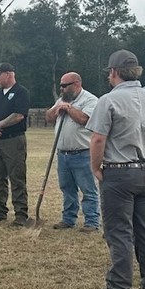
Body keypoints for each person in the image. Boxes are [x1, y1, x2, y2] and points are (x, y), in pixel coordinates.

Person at [87, 50, 145, 289]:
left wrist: (96, 168)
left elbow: (98, 138)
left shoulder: (108, 101)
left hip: (119, 172)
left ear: (113, 72)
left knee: (119, 232)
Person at [43, 72, 100, 232]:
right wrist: (57, 109)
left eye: (65, 86)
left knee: (88, 189)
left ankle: (92, 221)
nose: (62, 89)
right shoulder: (62, 100)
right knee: (67, 188)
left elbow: (84, 119)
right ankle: (68, 219)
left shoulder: (90, 100)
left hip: (82, 153)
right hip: (62, 153)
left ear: (76, 84)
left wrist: (69, 109)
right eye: (61, 85)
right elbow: (48, 117)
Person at [0, 62, 31, 226]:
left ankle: (21, 214)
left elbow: (18, 116)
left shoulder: (20, 92)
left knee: (16, 177)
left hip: (14, 140)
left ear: (9, 74)